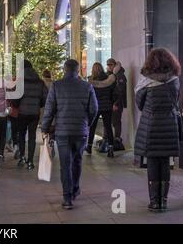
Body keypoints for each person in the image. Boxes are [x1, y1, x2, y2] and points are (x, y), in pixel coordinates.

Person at [42, 59, 98, 210]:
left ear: (64, 70)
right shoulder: (87, 86)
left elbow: (49, 109)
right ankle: (75, 189)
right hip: (80, 131)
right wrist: (87, 124)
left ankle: (67, 198)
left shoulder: (56, 86)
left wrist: (45, 127)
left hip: (62, 132)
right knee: (78, 160)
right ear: (78, 70)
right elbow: (94, 109)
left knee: (65, 164)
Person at [134, 48, 181, 212]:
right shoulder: (174, 80)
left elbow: (139, 104)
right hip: (169, 125)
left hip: (151, 126)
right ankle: (164, 201)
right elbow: (175, 101)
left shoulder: (145, 82)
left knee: (153, 162)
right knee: (165, 163)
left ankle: (154, 202)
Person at [16, 60, 48, 170]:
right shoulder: (40, 82)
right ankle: (30, 161)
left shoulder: (20, 81)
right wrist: (38, 104)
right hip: (34, 113)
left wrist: (18, 105)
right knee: (32, 136)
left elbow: (16, 97)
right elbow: (45, 97)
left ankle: (22, 157)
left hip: (22, 112)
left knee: (21, 135)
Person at [87, 62, 117, 158]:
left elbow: (89, 95)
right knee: (108, 127)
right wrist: (112, 102)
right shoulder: (108, 79)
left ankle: (89, 147)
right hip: (107, 106)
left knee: (92, 127)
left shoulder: (91, 81)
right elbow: (114, 93)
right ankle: (111, 149)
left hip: (96, 106)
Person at [106, 58, 127, 145]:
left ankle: (117, 139)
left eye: (111, 65)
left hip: (117, 103)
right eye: (108, 65)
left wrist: (116, 103)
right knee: (111, 121)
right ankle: (112, 139)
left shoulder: (120, 75)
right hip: (111, 102)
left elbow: (121, 91)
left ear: (114, 65)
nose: (109, 66)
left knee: (116, 121)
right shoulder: (112, 74)